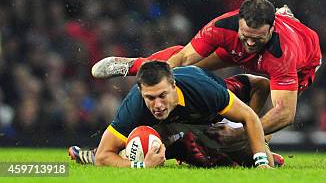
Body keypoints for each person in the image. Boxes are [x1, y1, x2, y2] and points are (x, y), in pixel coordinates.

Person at [92, 0, 326, 145]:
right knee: (186, 64)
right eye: (247, 35)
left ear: (271, 30)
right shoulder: (222, 27)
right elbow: (183, 56)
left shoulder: (283, 54)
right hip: (243, 48)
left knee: (274, 108)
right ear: (238, 23)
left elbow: (285, 114)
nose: (251, 42)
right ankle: (133, 64)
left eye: (258, 38)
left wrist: (241, 134)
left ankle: (246, 132)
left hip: (303, 61)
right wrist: (149, 74)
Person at [72, 62, 274, 168]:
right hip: (169, 132)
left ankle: (209, 151)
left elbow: (250, 116)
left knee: (268, 161)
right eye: (150, 98)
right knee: (140, 143)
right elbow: (103, 156)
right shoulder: (134, 105)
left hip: (216, 126)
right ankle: (185, 148)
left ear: (174, 86)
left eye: (162, 95)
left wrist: (261, 161)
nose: (157, 105)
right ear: (141, 92)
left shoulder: (204, 90)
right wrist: (141, 166)